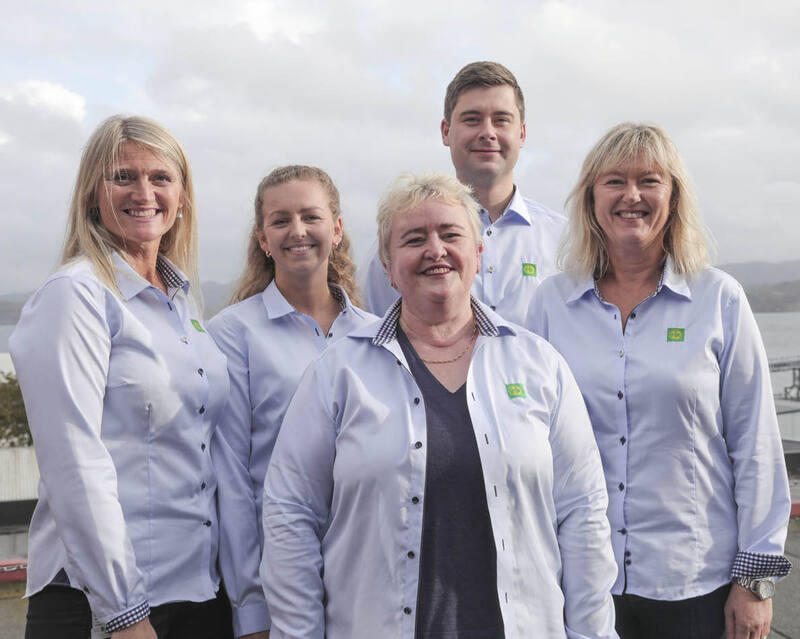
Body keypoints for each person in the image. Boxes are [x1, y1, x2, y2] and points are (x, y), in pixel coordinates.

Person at [261, 173, 618, 639]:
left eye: (451, 235)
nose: (435, 250)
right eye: (413, 239)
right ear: (388, 267)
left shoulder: (539, 366)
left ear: (478, 254)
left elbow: (584, 511)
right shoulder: (338, 373)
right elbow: (290, 512)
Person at [528, 122, 792, 639]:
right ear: (590, 198)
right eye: (614, 181)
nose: (632, 195)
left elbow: (756, 445)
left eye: (649, 180)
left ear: (673, 197)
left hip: (695, 585)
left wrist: (756, 581)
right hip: (580, 581)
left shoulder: (720, 299)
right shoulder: (550, 305)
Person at [9, 115, 232, 639]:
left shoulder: (184, 307)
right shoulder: (76, 296)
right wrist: (124, 613)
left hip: (195, 593)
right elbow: (74, 463)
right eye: (123, 177)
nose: (144, 192)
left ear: (183, 197)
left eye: (161, 178)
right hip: (104, 608)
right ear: (92, 194)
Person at [208, 165, 376, 639]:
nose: (297, 231)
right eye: (280, 221)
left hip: (368, 584)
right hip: (280, 585)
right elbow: (233, 483)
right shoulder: (233, 334)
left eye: (311, 217)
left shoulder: (375, 334)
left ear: (337, 229)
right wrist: (251, 609)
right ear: (262, 238)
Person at [361, 61, 565, 326]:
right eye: (472, 119)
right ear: (446, 132)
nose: (488, 133)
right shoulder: (396, 246)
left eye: (501, 120)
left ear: (522, 134)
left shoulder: (563, 242)